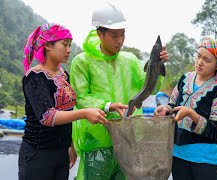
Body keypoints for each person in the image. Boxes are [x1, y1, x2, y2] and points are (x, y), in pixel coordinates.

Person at [69, 2, 169, 179]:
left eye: (122, 34)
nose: (120, 40)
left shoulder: (130, 60)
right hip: (97, 141)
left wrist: (158, 66)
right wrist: (107, 105)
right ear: (100, 33)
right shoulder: (82, 61)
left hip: (128, 139)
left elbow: (151, 88)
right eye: (114, 35)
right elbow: (81, 97)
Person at [18, 23, 108, 180]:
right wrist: (85, 113)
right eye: (64, 44)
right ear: (48, 45)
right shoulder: (35, 77)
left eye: (70, 45)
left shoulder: (63, 74)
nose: (68, 50)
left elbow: (66, 110)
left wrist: (69, 144)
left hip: (60, 153)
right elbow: (48, 116)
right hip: (38, 155)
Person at [155, 37, 217, 180]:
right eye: (198, 56)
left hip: (205, 161)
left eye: (207, 60)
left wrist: (192, 114)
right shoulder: (185, 79)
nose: (199, 62)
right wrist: (165, 109)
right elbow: (173, 105)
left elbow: (214, 129)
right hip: (178, 156)